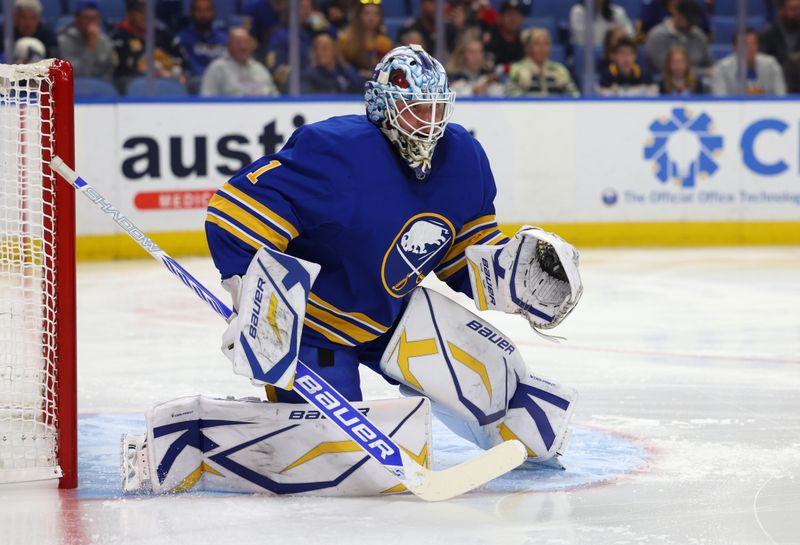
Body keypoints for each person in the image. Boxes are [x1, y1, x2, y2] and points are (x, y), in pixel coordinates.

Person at [121, 44, 582, 497]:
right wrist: (253, 299)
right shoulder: (336, 153)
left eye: (438, 110)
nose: (431, 124)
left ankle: (524, 441)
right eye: (417, 110)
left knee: (499, 383)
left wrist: (507, 274)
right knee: (334, 462)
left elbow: (461, 249)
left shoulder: (464, 158)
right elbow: (235, 213)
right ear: (382, 107)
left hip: (394, 314)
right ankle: (190, 439)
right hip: (314, 331)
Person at [111, 0, 182, 93]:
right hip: (136, 84)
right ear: (130, 13)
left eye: (148, 11)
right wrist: (156, 73)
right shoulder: (119, 36)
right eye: (141, 11)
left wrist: (175, 72)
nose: (146, 15)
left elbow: (179, 60)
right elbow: (122, 70)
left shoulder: (163, 34)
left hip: (165, 80)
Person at [201, 27, 280, 96]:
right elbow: (207, 99)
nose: (243, 46)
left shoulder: (260, 69)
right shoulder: (217, 68)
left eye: (246, 42)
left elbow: (275, 98)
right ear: (228, 45)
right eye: (238, 43)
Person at [644, 0, 713, 76]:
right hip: (664, 83)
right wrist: (702, 72)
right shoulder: (657, 35)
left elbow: (711, 63)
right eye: (688, 20)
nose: (691, 25)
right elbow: (669, 69)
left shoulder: (698, 35)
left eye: (693, 22)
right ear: (677, 15)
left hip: (696, 83)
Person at [712, 27, 786, 95]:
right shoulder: (722, 68)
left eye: (754, 43)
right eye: (745, 44)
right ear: (735, 47)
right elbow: (720, 100)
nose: (751, 48)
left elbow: (781, 96)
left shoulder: (771, 65)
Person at [506, 28, 580, 96]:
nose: (542, 48)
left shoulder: (559, 69)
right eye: (537, 44)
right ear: (527, 48)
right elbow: (512, 98)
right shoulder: (517, 70)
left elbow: (574, 96)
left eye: (546, 44)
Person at [175, 0, 228, 94]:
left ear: (214, 12)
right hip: (195, 83)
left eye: (208, 10)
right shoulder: (182, 38)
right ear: (192, 13)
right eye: (199, 10)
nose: (204, 15)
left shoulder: (224, 39)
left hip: (222, 83)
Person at [57, 0, 116, 82]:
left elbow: (110, 72)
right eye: (86, 18)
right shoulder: (64, 41)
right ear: (77, 19)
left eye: (95, 18)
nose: (91, 22)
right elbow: (76, 74)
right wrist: (90, 46)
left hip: (100, 89)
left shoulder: (104, 41)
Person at [336, 0, 392, 79]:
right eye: (366, 13)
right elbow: (342, 64)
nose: (371, 18)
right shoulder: (346, 39)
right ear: (359, 16)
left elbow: (387, 69)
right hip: (352, 81)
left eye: (376, 14)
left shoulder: (384, 42)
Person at [447, 32, 504, 96]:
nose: (477, 56)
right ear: (463, 54)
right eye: (472, 52)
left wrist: (488, 88)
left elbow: (501, 94)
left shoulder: (489, 75)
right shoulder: (452, 77)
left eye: (480, 52)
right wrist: (472, 90)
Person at [569, 0, 634, 47]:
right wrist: (609, 40)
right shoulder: (578, 12)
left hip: (615, 56)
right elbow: (581, 42)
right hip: (588, 58)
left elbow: (630, 36)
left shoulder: (618, 12)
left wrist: (620, 36)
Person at [483, 0, 525, 69]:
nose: (513, 19)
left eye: (517, 14)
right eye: (509, 14)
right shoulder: (489, 40)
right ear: (499, 18)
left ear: (521, 19)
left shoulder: (524, 40)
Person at [759, 0, 800, 67]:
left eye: (799, 8)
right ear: (781, 11)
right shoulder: (768, 34)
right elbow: (764, 62)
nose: (798, 12)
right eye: (793, 9)